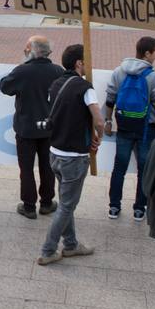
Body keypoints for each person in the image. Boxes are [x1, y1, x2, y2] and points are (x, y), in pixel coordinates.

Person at [38, 44, 103, 265]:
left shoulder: (56, 83)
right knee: (67, 206)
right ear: (79, 63)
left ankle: (71, 244)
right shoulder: (86, 88)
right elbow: (99, 119)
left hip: (54, 153)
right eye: (87, 60)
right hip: (74, 157)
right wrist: (99, 137)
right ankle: (48, 250)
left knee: (66, 202)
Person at [0, 36, 66, 219]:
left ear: (32, 50)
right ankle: (46, 203)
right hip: (48, 127)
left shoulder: (23, 71)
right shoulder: (57, 71)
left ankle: (29, 206)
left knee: (26, 168)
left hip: (26, 127)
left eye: (26, 48)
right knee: (47, 167)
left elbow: (4, 86)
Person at [103, 36, 155, 221]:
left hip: (124, 126)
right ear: (147, 53)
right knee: (144, 169)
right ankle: (139, 208)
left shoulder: (119, 71)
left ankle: (114, 206)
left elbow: (110, 98)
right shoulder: (153, 76)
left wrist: (108, 121)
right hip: (146, 127)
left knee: (119, 167)